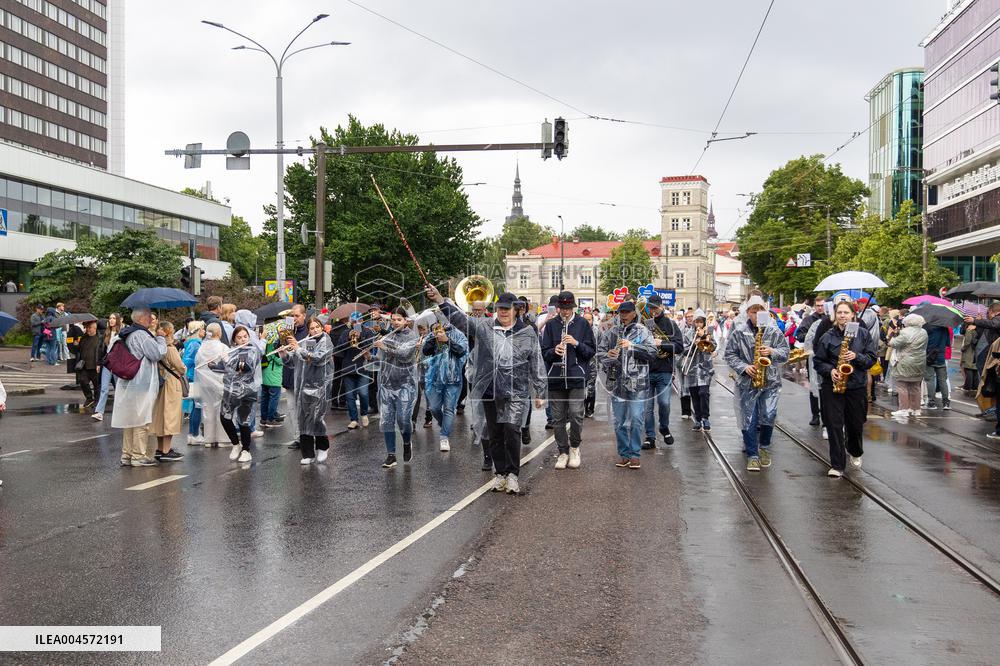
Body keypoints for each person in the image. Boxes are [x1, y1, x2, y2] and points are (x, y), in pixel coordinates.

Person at [429, 286, 547, 494]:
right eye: (500, 308)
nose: (503, 312)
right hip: (490, 390)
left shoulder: (527, 333)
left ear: (516, 310)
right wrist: (440, 300)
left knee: (511, 431)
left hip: (516, 392)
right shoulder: (485, 327)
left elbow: (536, 360)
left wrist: (540, 391)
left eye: (507, 308)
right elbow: (460, 320)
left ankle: (512, 475)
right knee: (495, 433)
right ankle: (500, 474)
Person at [724, 296, 790, 472]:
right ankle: (753, 455)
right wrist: (744, 367)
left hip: (770, 381)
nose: (757, 314)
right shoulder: (739, 330)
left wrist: (772, 351)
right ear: (748, 313)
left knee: (769, 414)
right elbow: (729, 354)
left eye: (760, 311)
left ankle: (765, 447)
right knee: (749, 419)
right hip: (747, 382)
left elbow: (785, 353)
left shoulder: (773, 330)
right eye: (754, 311)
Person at [813, 300, 876, 477]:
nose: (842, 316)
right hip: (832, 386)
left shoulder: (863, 334)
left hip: (856, 385)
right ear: (835, 315)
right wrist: (830, 370)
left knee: (855, 425)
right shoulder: (828, 336)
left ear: (853, 315)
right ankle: (837, 465)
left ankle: (855, 450)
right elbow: (818, 361)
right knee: (834, 425)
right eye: (839, 312)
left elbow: (871, 359)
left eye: (846, 313)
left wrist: (856, 356)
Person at [540, 291, 596, 470]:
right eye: (562, 308)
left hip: (576, 376)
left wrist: (576, 343)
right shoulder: (551, 325)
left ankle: (574, 448)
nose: (564, 312)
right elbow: (544, 352)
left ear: (573, 307)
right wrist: (553, 351)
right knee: (557, 418)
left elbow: (590, 351)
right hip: (556, 377)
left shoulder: (582, 324)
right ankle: (562, 451)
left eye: (567, 308)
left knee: (576, 415)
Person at [598, 301, 656, 469]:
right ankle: (624, 454)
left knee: (637, 419)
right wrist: (609, 355)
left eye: (626, 312)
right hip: (617, 383)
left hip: (637, 382)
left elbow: (652, 353)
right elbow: (600, 354)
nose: (623, 314)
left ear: (633, 313)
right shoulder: (611, 332)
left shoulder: (643, 331)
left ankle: (635, 454)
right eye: (620, 312)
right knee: (620, 421)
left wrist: (633, 347)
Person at [111, 308, 167, 467]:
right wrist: (161, 339)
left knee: (129, 420)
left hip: (127, 381)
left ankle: (126, 455)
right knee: (142, 420)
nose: (151, 319)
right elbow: (156, 354)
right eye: (149, 316)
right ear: (142, 318)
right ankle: (138, 456)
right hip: (142, 382)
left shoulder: (126, 333)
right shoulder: (142, 335)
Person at [281, 317, 334, 464]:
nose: (315, 330)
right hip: (303, 388)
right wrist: (284, 354)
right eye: (312, 328)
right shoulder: (304, 342)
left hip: (320, 386)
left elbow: (319, 358)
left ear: (322, 327)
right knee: (303, 419)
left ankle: (323, 446)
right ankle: (308, 454)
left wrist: (298, 349)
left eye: (317, 327)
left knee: (316, 417)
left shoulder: (326, 341)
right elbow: (292, 362)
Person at [374, 306, 421, 468]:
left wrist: (385, 347)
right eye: (393, 319)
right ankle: (391, 455)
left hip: (405, 384)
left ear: (406, 321)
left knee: (403, 419)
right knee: (387, 420)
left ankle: (407, 442)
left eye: (398, 319)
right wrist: (369, 355)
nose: (395, 322)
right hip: (387, 384)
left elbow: (405, 356)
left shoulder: (412, 336)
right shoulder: (387, 336)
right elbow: (379, 358)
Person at [421, 315, 469, 452]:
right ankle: (445, 426)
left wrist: (447, 340)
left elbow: (462, 352)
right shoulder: (433, 333)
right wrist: (434, 338)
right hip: (435, 378)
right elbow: (425, 351)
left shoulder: (460, 335)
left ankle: (444, 437)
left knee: (449, 409)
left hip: (453, 378)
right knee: (434, 408)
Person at [215, 326, 261, 463]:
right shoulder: (232, 351)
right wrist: (214, 364)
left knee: (243, 420)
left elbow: (246, 368)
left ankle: (246, 450)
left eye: (245, 336)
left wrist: (228, 360)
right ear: (234, 339)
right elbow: (224, 368)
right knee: (224, 417)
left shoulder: (253, 350)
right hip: (230, 390)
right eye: (239, 337)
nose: (242, 340)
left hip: (247, 391)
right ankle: (236, 444)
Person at [643, 294, 684, 448]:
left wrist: (662, 343)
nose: (653, 310)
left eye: (655, 307)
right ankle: (650, 436)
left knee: (664, 403)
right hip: (646, 369)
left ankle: (664, 427)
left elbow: (679, 348)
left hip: (664, 370)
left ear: (661, 307)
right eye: (651, 307)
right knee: (647, 407)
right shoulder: (644, 325)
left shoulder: (671, 325)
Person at [151, 321, 186, 461]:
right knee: (170, 417)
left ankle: (160, 449)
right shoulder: (170, 348)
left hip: (160, 382)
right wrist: (184, 367)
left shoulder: (156, 347)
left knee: (160, 416)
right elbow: (180, 367)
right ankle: (166, 450)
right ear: (169, 332)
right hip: (171, 384)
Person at [194, 323, 229, 447]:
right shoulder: (223, 347)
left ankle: (209, 439)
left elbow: (197, 363)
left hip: (204, 383)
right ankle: (223, 439)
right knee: (221, 409)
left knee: (207, 409)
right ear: (219, 333)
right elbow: (228, 364)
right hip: (219, 382)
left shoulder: (201, 348)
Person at [888, 313, 928, 418]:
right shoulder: (924, 332)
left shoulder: (905, 332)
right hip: (919, 362)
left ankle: (903, 409)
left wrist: (892, 335)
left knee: (902, 385)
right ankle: (916, 409)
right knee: (915, 386)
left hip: (905, 362)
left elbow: (893, 343)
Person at [681, 312, 716, 432]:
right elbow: (684, 350)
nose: (698, 324)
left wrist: (705, 337)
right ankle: (698, 419)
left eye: (701, 322)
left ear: (704, 323)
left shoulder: (708, 333)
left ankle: (705, 418)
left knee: (704, 393)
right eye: (697, 322)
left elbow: (714, 346)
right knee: (695, 395)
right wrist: (693, 343)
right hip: (692, 369)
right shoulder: (688, 334)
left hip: (705, 368)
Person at [281, 304, 309, 448]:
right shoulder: (287, 331)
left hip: (304, 377)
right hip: (289, 376)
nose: (294, 318)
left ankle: (308, 437)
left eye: (297, 316)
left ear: (304, 315)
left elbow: (311, 354)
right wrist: (282, 343)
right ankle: (298, 438)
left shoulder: (309, 331)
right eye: (292, 316)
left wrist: (297, 345)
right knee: (292, 409)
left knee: (305, 409)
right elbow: (276, 348)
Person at [796, 296, 827, 424]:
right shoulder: (809, 319)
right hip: (813, 355)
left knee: (826, 387)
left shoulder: (830, 319)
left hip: (826, 357)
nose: (820, 308)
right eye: (818, 305)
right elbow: (800, 335)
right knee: (813, 385)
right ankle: (815, 414)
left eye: (822, 305)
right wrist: (812, 334)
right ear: (815, 306)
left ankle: (826, 415)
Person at [337, 322, 374, 429]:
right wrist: (349, 338)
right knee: (350, 396)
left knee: (363, 393)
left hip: (363, 368)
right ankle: (353, 419)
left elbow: (370, 347)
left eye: (358, 319)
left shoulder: (367, 332)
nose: (355, 322)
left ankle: (364, 414)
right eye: (353, 320)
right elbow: (339, 347)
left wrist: (360, 338)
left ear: (362, 320)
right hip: (348, 368)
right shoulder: (345, 332)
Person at [92, 313, 122, 421]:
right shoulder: (106, 333)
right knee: (104, 388)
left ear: (118, 320)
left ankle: (121, 411)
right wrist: (98, 363)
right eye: (110, 318)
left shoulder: (122, 333)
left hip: (118, 364)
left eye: (114, 318)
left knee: (119, 388)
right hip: (107, 363)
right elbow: (100, 349)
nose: (111, 320)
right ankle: (99, 412)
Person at [182, 320, 206, 442]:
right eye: (202, 328)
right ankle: (195, 434)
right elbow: (187, 361)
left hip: (193, 376)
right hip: (196, 377)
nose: (204, 331)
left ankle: (193, 433)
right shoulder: (196, 344)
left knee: (195, 407)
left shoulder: (192, 343)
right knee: (197, 406)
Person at [71, 320, 101, 409]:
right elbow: (77, 351)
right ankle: (89, 398)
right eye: (86, 327)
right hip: (84, 365)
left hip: (95, 366)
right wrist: (75, 345)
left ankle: (97, 400)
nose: (87, 329)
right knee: (83, 381)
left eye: (89, 327)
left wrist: (99, 363)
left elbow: (103, 351)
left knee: (97, 385)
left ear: (94, 328)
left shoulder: (100, 338)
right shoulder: (84, 338)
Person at [260, 327, 284, 428]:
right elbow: (279, 361)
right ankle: (270, 419)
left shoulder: (265, 342)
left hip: (265, 374)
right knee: (274, 398)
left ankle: (263, 419)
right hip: (274, 376)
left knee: (265, 398)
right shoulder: (275, 344)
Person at [924, 320, 951, 410]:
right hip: (940, 356)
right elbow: (948, 343)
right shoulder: (945, 328)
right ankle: (946, 402)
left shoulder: (927, 327)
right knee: (943, 380)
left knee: (930, 380)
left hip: (929, 356)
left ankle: (931, 401)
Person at [961, 321, 980, 392]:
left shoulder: (969, 330)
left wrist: (963, 348)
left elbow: (967, 342)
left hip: (969, 351)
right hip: (976, 351)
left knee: (968, 368)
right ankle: (975, 386)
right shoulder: (978, 330)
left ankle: (967, 386)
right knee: (974, 369)